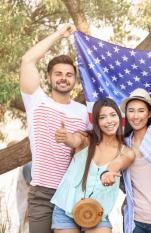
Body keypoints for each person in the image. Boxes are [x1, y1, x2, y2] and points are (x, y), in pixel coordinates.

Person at [101, 38, 151, 233]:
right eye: (132, 111)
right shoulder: (124, 143)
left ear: (149, 113)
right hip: (135, 221)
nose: (136, 116)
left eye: (141, 110)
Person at [20, 24, 90, 233]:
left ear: (74, 81)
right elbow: (27, 60)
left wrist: (72, 139)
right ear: (49, 77)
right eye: (58, 73)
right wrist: (59, 34)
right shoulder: (36, 100)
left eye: (69, 75)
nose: (63, 78)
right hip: (42, 193)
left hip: (72, 193)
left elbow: (89, 144)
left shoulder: (82, 111)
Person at [52, 97, 135, 232]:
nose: (109, 121)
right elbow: (73, 140)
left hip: (96, 213)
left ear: (119, 118)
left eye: (113, 115)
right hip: (65, 208)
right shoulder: (86, 139)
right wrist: (65, 137)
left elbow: (116, 164)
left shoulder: (127, 153)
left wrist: (107, 174)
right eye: (103, 117)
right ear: (96, 121)